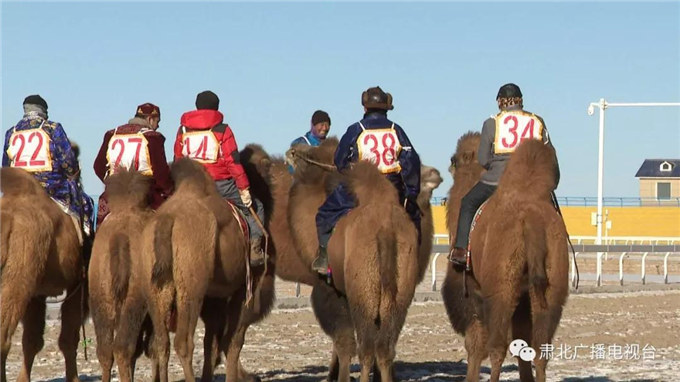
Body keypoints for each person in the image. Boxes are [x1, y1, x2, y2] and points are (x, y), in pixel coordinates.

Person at [311, 86, 422, 274]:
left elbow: (340, 160)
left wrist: (350, 171)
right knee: (416, 217)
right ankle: (415, 256)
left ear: (365, 108)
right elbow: (411, 161)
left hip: (361, 187)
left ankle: (324, 258)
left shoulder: (356, 129)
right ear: (386, 108)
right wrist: (411, 193)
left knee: (323, 214)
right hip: (392, 188)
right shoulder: (397, 130)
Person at [448, 83, 560, 268]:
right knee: (552, 216)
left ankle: (461, 251)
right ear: (521, 101)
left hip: (497, 182)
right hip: (531, 183)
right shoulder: (537, 121)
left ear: (500, 102)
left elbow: (483, 159)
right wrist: (552, 182)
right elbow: (550, 156)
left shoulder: (492, 122)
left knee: (467, 203)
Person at [173, 90, 266, 267]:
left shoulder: (183, 130)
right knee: (256, 207)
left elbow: (178, 159)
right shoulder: (222, 130)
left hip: (191, 185)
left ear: (197, 107)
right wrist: (244, 188)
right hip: (221, 185)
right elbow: (233, 162)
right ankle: (255, 248)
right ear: (216, 107)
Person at [3, 94, 95, 255]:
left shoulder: (11, 132)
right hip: (51, 189)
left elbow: (6, 165)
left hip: (17, 191)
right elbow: (68, 162)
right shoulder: (52, 129)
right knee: (85, 203)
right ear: (43, 111)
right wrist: (71, 173)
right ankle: (84, 250)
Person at [93, 102, 173, 226]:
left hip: (115, 194)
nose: (157, 126)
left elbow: (98, 166)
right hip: (145, 194)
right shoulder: (153, 137)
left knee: (101, 221)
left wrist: (114, 185)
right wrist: (168, 190)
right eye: (157, 122)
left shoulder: (111, 134)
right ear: (150, 119)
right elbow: (161, 174)